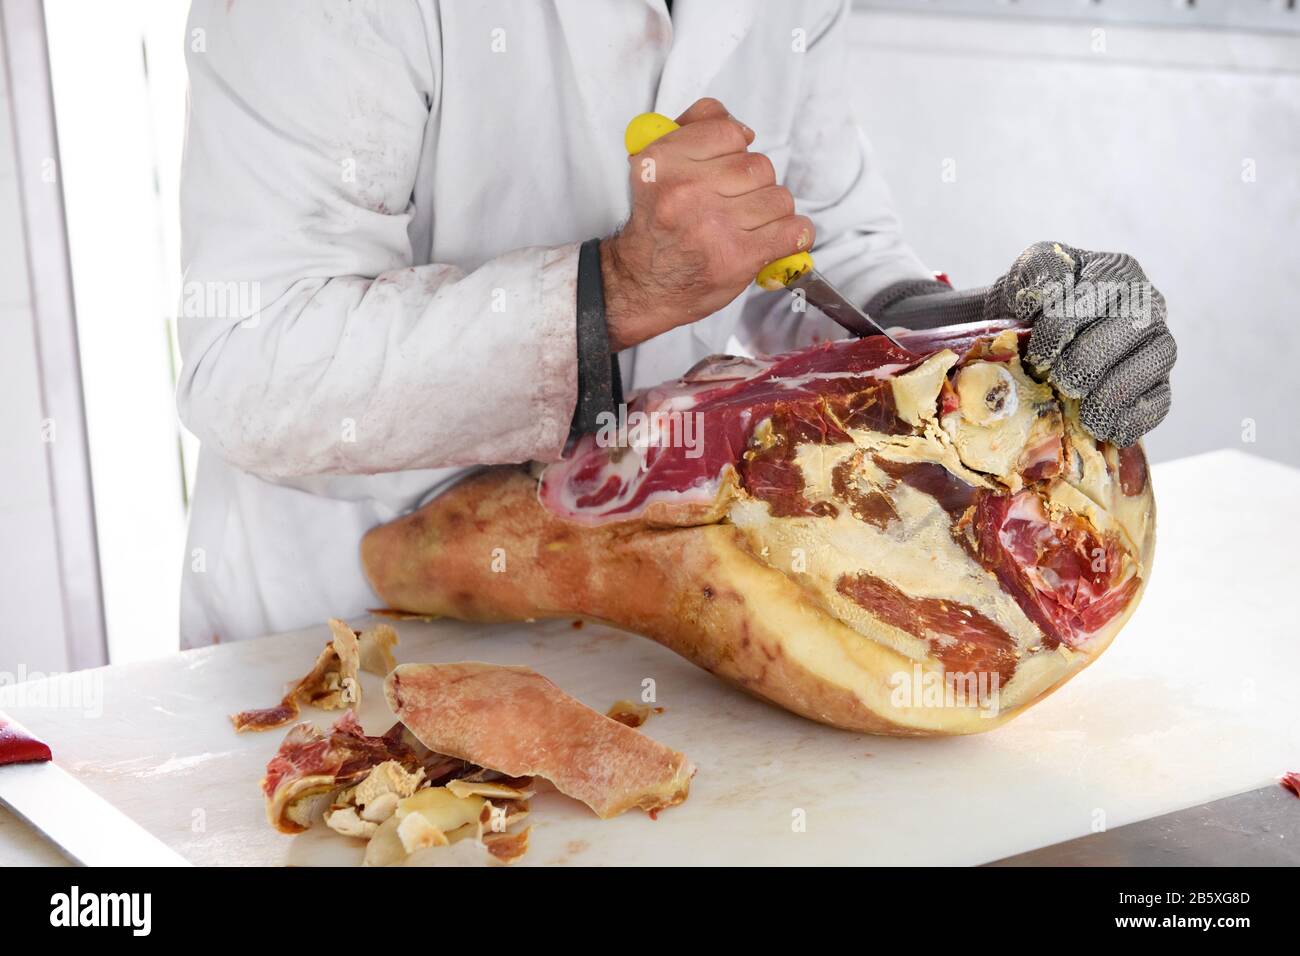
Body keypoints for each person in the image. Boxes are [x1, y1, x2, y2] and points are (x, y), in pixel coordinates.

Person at [176, 0, 1175, 647]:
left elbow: (820, 253)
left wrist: (975, 334)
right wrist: (618, 287)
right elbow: (247, 362)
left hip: (649, 621)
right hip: (339, 633)